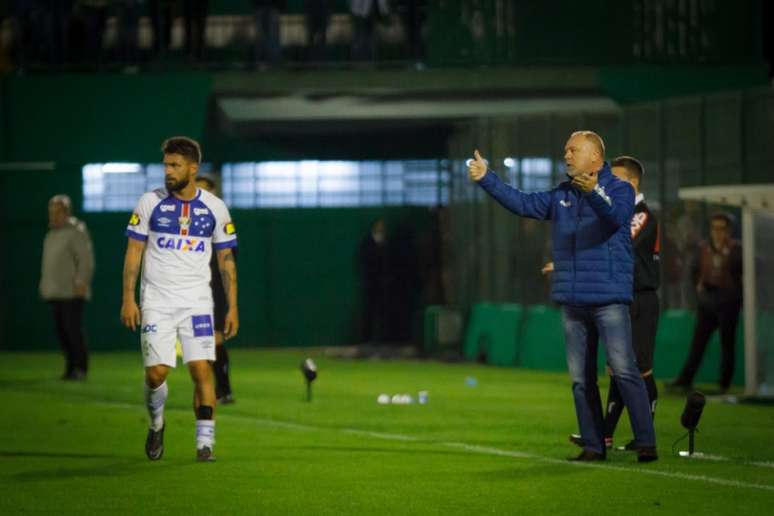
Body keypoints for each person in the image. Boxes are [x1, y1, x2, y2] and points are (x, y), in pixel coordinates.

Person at [468, 132, 657, 462]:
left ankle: (646, 443)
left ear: (596, 158)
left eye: (573, 150)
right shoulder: (561, 195)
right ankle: (594, 446)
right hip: (572, 299)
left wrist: (593, 193)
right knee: (581, 381)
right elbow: (524, 204)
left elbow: (616, 218)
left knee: (625, 371)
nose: (566, 155)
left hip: (609, 298)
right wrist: (488, 179)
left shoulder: (620, 189)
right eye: (565, 150)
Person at [120, 136, 239, 462]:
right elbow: (134, 253)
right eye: (166, 165)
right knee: (156, 373)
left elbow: (226, 261)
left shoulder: (215, 208)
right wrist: (129, 299)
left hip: (198, 303)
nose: (168, 171)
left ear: (192, 167)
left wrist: (232, 308)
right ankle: (156, 423)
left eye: (175, 165)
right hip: (157, 301)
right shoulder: (149, 202)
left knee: (202, 369)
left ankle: (205, 442)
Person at [559, 156, 661, 451]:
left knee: (638, 369)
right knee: (618, 369)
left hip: (641, 299)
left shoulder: (641, 216)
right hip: (621, 296)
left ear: (632, 183)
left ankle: (644, 435)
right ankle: (605, 433)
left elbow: (616, 241)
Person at [668, 212, 742, 393]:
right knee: (697, 344)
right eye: (715, 228)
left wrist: (735, 294)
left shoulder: (736, 249)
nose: (717, 232)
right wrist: (699, 290)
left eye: (721, 228)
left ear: (728, 231)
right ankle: (685, 380)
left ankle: (724, 384)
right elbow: (693, 271)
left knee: (727, 345)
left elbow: (743, 273)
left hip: (728, 302)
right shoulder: (703, 248)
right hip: (707, 302)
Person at [40, 194, 95, 381]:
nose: (53, 216)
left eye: (56, 212)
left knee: (73, 331)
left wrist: (81, 282)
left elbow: (85, 260)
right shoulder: (51, 234)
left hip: (72, 292)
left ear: (66, 212)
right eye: (51, 212)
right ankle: (70, 368)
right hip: (55, 291)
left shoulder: (76, 231)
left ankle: (80, 368)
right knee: (62, 332)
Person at [195, 172, 236, 404]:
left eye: (206, 191)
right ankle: (215, 390)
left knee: (216, 339)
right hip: (193, 290)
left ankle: (224, 390)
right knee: (203, 344)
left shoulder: (221, 221)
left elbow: (230, 258)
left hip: (216, 290)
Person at [359, 218, 389, 343]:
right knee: (369, 313)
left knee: (383, 314)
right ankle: (366, 339)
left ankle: (382, 339)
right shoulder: (368, 244)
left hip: (384, 285)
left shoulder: (386, 244)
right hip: (371, 285)